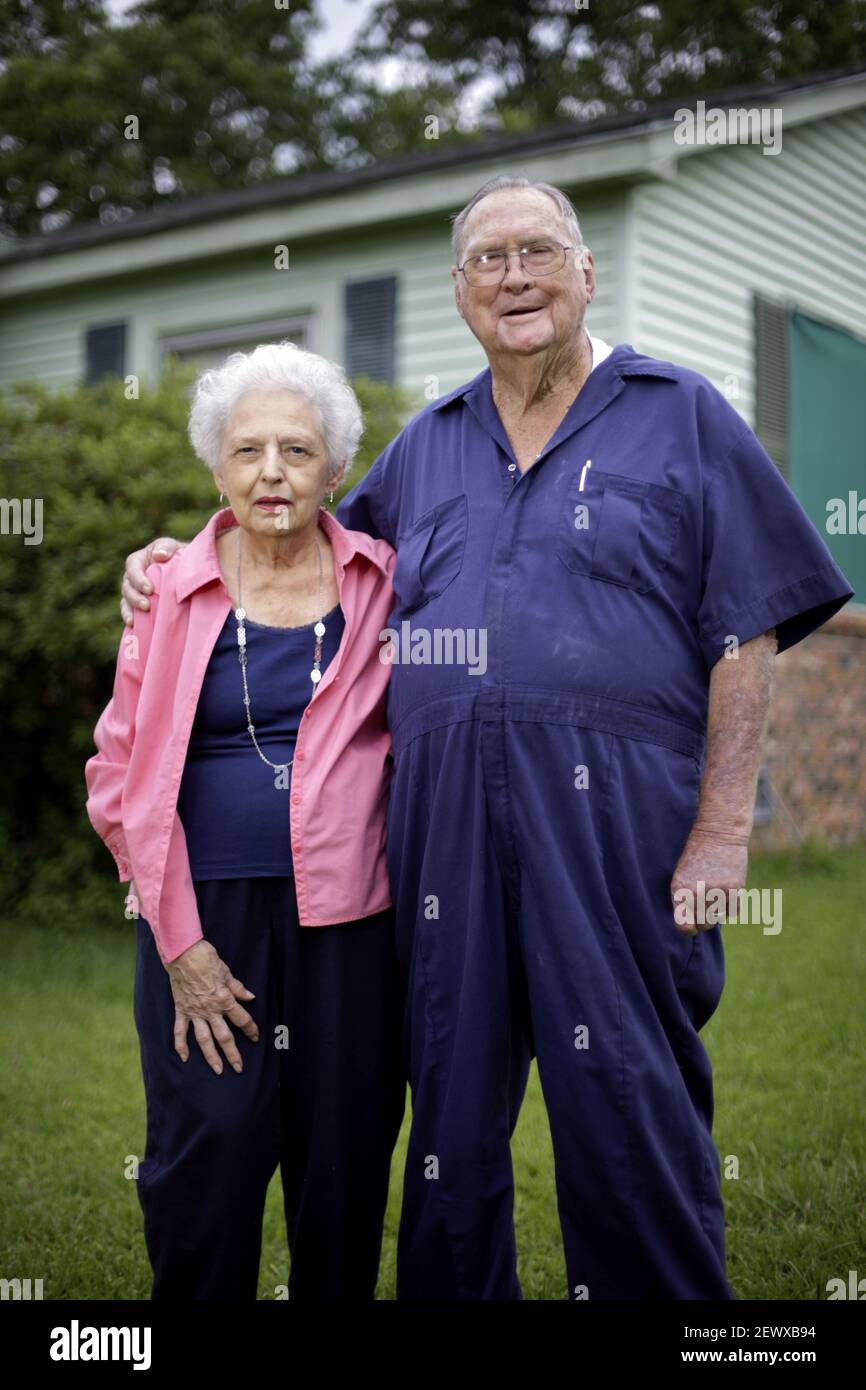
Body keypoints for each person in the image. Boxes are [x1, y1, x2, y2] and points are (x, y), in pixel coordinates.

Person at [120, 177, 853, 1301]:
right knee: (448, 1116)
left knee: (624, 1094)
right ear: (460, 292)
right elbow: (300, 547)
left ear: (584, 271)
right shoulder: (428, 443)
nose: (513, 277)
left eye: (537, 252)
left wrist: (718, 827)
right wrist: (178, 554)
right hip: (439, 831)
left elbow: (747, 625)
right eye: (486, 261)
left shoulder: (679, 410)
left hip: (613, 821)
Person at [86, 342, 405, 1301]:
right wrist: (179, 945)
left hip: (352, 919)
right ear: (217, 467)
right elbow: (116, 776)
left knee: (342, 1158)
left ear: (336, 468)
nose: (272, 472)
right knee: (205, 1154)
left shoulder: (386, 582)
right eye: (249, 450)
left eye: (298, 451)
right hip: (201, 914)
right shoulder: (170, 591)